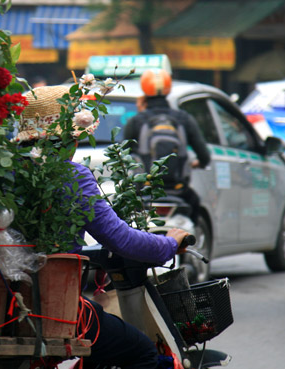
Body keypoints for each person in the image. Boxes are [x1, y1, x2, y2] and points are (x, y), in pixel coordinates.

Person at [16, 85, 191, 369]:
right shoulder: (71, 176)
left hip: (3, 305)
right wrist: (169, 244)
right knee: (144, 353)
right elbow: (120, 239)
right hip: (56, 308)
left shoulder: (2, 173)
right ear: (71, 140)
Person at [123, 69, 211, 222]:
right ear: (168, 89)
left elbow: (123, 155)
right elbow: (204, 156)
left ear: (144, 89)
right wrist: (198, 163)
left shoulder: (137, 120)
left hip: (145, 189)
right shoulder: (183, 119)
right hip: (179, 189)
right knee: (195, 205)